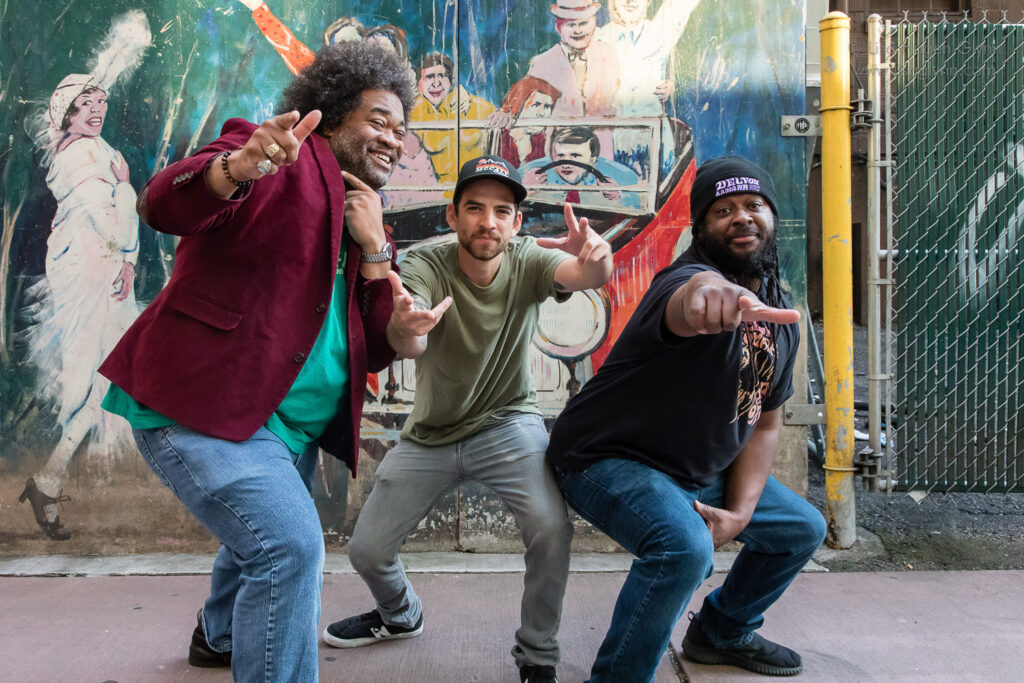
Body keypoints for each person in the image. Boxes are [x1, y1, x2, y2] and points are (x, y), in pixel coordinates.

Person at [97, 42, 415, 682]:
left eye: (401, 131)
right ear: (326, 113)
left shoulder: (369, 218)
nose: (393, 140)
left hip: (282, 429)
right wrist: (237, 169)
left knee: (258, 535)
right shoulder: (271, 156)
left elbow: (375, 345)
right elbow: (164, 204)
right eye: (378, 121)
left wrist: (378, 252)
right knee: (287, 545)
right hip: (202, 410)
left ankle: (218, 637)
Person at [322, 155, 614, 683]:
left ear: (517, 223)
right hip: (431, 434)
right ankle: (400, 614)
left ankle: (538, 655)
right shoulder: (423, 264)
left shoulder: (529, 259)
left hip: (508, 423)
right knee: (366, 550)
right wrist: (408, 327)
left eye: (502, 211)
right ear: (453, 217)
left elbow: (582, 273)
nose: (488, 222)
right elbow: (409, 339)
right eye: (474, 208)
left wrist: (599, 258)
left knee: (551, 529)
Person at [546, 156, 827, 681]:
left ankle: (721, 632)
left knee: (801, 528)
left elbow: (764, 423)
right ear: (701, 228)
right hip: (604, 457)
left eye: (753, 205)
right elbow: (690, 301)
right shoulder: (685, 279)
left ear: (772, 218)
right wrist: (707, 300)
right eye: (723, 210)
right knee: (683, 547)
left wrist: (741, 512)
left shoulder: (779, 314)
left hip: (695, 471)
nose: (741, 217)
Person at [19, 10, 150, 541]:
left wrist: (127, 258)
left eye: (99, 104)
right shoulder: (80, 160)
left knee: (112, 381)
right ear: (67, 115)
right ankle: (48, 483)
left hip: (106, 272)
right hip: (89, 279)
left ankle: (47, 482)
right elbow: (113, 216)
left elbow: (123, 227)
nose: (95, 111)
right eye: (84, 106)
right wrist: (123, 188)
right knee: (100, 384)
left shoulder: (96, 149)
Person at [410, 52, 497, 184]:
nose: (436, 83)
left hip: (476, 189)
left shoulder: (479, 107)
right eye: (429, 77)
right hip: (437, 196)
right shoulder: (414, 112)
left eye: (442, 76)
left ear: (451, 81)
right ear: (419, 83)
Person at [521, 126, 643, 210]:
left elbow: (638, 208)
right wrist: (523, 191)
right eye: (561, 155)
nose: (566, 164)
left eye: (575, 156)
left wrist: (618, 197)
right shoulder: (531, 172)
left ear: (592, 159)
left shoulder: (621, 176)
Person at [491, 76, 561, 168]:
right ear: (519, 105)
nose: (541, 113)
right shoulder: (500, 136)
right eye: (536, 105)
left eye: (547, 107)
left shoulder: (542, 140)